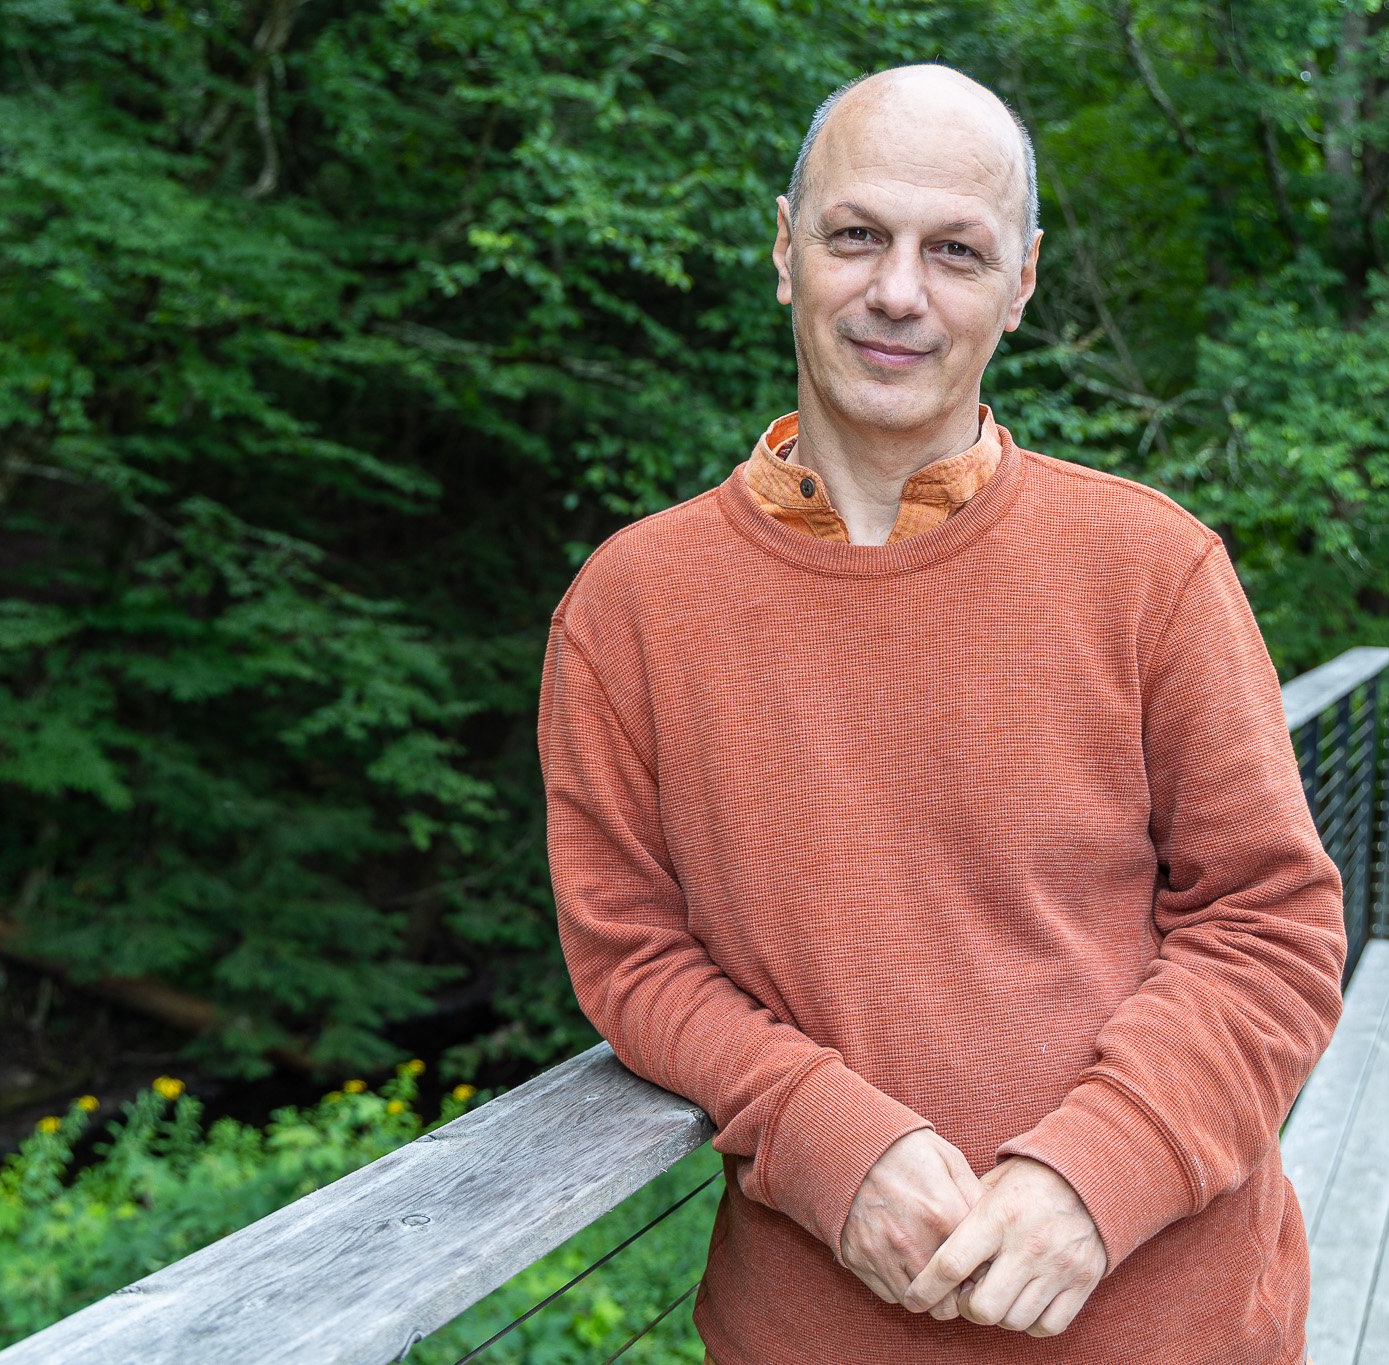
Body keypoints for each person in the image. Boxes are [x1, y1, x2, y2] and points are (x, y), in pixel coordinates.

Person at [536, 61, 1344, 1365]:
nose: (899, 290)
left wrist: (1100, 1172)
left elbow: (1270, 927)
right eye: (858, 234)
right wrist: (822, 1133)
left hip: (1171, 1328)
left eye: (955, 250)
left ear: (1020, 283)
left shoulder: (1155, 568)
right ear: (783, 251)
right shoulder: (629, 610)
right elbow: (630, 957)